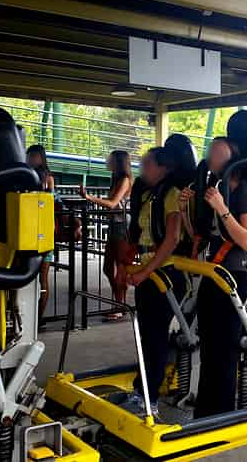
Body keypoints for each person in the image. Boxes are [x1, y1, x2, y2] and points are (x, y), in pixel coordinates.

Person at [179, 137, 247, 418]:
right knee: (209, 344)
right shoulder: (211, 188)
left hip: (235, 275)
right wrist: (184, 210)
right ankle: (205, 408)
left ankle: (222, 410)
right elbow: (198, 234)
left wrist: (222, 208)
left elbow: (246, 240)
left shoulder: (243, 191)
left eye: (217, 152)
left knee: (225, 347)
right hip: (212, 271)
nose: (210, 157)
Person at [118, 147, 185, 416]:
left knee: (155, 337)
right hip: (148, 271)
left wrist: (145, 272)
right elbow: (139, 235)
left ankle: (150, 399)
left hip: (165, 274)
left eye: (147, 164)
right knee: (145, 335)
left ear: (163, 168)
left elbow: (172, 239)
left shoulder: (171, 195)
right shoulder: (148, 195)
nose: (142, 169)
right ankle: (141, 390)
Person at [80, 150, 133, 320]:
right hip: (115, 225)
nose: (107, 161)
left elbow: (112, 203)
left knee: (119, 268)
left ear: (118, 162)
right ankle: (119, 304)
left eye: (110, 159)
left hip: (122, 226)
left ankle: (120, 306)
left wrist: (89, 197)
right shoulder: (116, 179)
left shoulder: (124, 180)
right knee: (108, 268)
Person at [26, 145, 55, 324]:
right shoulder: (43, 178)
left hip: (38, 231)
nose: (30, 159)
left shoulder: (43, 178)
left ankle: (37, 317)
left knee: (41, 277)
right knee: (41, 277)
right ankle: (35, 317)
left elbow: (50, 202)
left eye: (32, 156)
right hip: (41, 231)